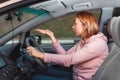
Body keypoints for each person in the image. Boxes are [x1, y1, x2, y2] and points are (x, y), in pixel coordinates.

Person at [27, 11, 109, 80]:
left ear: (85, 26)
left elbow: (69, 60)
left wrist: (40, 55)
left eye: (76, 24)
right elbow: (66, 55)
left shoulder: (97, 44)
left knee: (37, 78)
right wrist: (52, 36)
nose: (73, 27)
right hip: (75, 76)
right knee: (38, 70)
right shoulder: (84, 41)